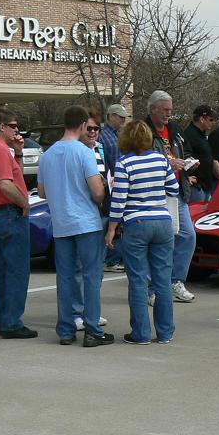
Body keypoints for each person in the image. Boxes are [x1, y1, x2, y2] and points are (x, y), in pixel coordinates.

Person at [38, 105, 112, 348]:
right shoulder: (83, 153)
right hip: (86, 223)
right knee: (91, 275)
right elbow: (98, 193)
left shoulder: (47, 155)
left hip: (61, 224)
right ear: (81, 125)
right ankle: (92, 329)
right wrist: (100, 185)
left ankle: (66, 329)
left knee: (66, 276)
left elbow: (42, 191)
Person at [105, 120, 178, 344]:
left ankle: (141, 333)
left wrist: (111, 229)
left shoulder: (124, 163)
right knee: (163, 281)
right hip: (162, 222)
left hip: (136, 223)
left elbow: (118, 201)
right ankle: (165, 333)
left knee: (137, 280)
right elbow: (173, 189)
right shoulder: (160, 159)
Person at [0, 107, 37, 339]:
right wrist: (24, 204)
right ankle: (11, 323)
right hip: (10, 213)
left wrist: (18, 152)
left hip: (2, 214)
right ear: (2, 127)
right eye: (13, 126)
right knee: (17, 271)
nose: (17, 130)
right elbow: (6, 184)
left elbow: (16, 177)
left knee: (4, 270)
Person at [145, 90, 198, 303]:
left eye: (170, 110)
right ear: (153, 109)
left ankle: (176, 281)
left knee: (188, 236)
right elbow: (142, 160)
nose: (169, 114)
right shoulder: (144, 131)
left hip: (177, 191)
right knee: (158, 242)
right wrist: (168, 164)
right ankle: (152, 288)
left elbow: (183, 153)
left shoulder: (175, 130)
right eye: (165, 110)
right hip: (156, 195)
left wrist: (188, 162)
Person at [70, 109, 110, 332]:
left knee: (96, 268)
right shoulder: (76, 151)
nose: (93, 132)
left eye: (97, 129)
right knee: (78, 266)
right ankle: (77, 312)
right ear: (81, 128)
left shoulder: (101, 149)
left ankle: (91, 311)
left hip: (101, 213)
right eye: (89, 128)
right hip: (83, 215)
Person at [101, 103, 129, 272]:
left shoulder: (118, 135)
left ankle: (113, 258)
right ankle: (109, 259)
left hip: (119, 182)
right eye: (120, 117)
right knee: (111, 220)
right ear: (111, 116)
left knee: (118, 222)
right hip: (108, 185)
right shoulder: (103, 136)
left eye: (125, 118)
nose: (123, 121)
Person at [182, 104, 219, 202]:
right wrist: (186, 177)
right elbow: (184, 157)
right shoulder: (189, 135)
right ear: (202, 119)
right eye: (211, 120)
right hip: (196, 186)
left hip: (206, 185)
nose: (213, 123)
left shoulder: (202, 135)